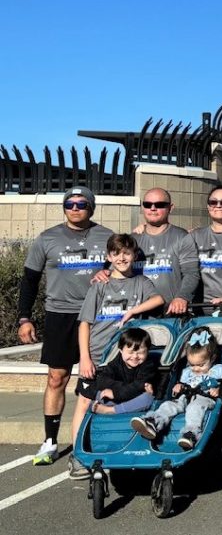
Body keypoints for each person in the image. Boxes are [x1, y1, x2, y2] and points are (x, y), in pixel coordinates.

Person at [17, 186, 113, 467]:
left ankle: (94, 436)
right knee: (57, 378)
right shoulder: (47, 239)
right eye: (69, 203)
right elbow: (29, 281)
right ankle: (50, 440)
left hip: (99, 316)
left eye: (81, 203)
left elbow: (125, 266)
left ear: (91, 207)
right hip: (60, 315)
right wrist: (24, 318)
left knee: (97, 379)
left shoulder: (106, 236)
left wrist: (110, 270)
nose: (74, 207)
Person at [70, 233, 164, 478]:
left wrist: (133, 311)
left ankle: (115, 449)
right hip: (99, 354)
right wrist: (85, 358)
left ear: (133, 256)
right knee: (84, 401)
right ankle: (79, 456)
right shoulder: (100, 284)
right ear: (109, 256)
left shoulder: (141, 282)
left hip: (124, 357)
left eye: (126, 253)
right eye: (116, 253)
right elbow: (84, 324)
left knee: (125, 398)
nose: (122, 258)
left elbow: (159, 299)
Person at [131, 326, 222, 451]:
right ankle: (153, 422)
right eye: (192, 365)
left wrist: (218, 389)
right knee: (169, 405)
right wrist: (178, 385)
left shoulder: (217, 370)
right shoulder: (187, 372)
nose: (196, 369)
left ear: (212, 358)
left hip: (204, 399)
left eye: (201, 365)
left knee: (194, 408)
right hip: (185, 397)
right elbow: (182, 383)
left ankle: (191, 434)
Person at [131, 188, 200, 313]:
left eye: (159, 205)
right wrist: (105, 273)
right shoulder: (132, 240)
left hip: (171, 313)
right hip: (138, 313)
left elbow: (191, 273)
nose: (153, 208)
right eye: (147, 204)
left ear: (170, 208)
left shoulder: (182, 236)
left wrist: (182, 297)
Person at [89, 328, 159, 416]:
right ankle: (123, 408)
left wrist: (116, 393)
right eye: (130, 352)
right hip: (121, 397)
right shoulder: (115, 363)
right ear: (121, 350)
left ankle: (111, 410)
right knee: (99, 394)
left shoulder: (148, 366)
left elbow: (138, 386)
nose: (135, 356)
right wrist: (115, 392)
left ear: (147, 351)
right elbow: (102, 380)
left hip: (134, 398)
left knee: (148, 398)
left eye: (140, 353)